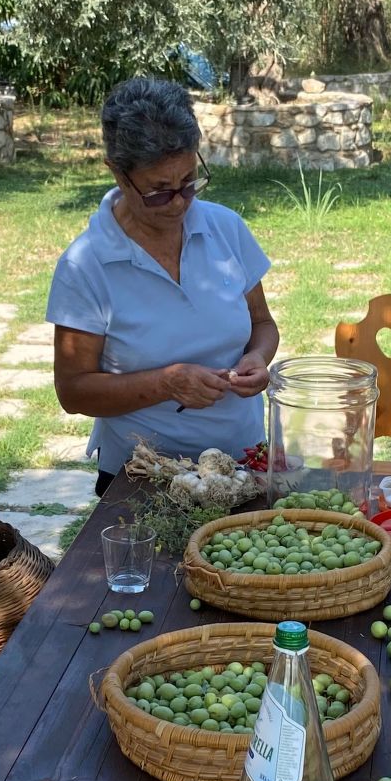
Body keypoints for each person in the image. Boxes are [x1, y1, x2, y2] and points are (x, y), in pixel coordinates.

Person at [48, 75, 280, 494]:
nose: (179, 202)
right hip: (144, 477)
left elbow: (262, 323)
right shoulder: (86, 264)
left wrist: (259, 359)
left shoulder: (225, 228)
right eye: (158, 191)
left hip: (244, 467)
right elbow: (73, 391)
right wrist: (166, 383)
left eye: (190, 181)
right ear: (119, 176)